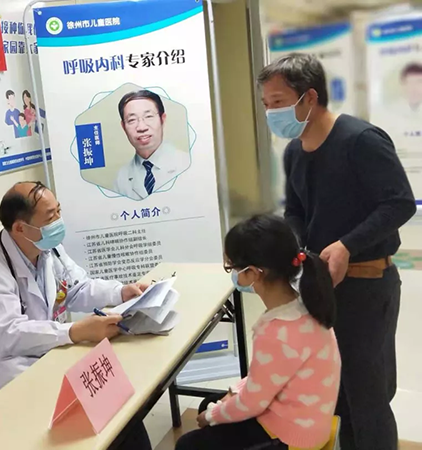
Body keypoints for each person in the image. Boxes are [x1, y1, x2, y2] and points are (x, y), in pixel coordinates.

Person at [258, 53, 416, 450]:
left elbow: (399, 203)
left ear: (309, 98)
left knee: (369, 397)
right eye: (266, 104)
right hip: (321, 288)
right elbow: (295, 211)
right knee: (336, 394)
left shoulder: (361, 141)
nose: (271, 113)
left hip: (367, 286)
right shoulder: (295, 151)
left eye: (278, 102)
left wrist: (347, 245)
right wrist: (294, 249)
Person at [0, 182, 152, 449]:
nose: (59, 221)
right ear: (20, 228)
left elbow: (77, 287)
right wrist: (74, 332)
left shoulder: (48, 249)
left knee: (122, 411)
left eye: (59, 211)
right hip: (6, 371)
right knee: (91, 417)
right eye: (51, 216)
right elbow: (10, 334)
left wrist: (120, 292)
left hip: (49, 355)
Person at [176, 214, 340, 450]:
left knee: (188, 444)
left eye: (232, 267)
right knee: (212, 403)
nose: (233, 274)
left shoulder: (276, 333)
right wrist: (233, 393)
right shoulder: (308, 305)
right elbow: (268, 376)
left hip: (291, 437)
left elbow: (253, 402)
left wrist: (213, 415)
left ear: (253, 273)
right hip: (307, 422)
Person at [114, 90, 190, 200]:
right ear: (123, 126)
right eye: (132, 120)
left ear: (162, 119)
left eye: (149, 116)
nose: (141, 127)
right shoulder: (121, 178)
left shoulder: (186, 164)